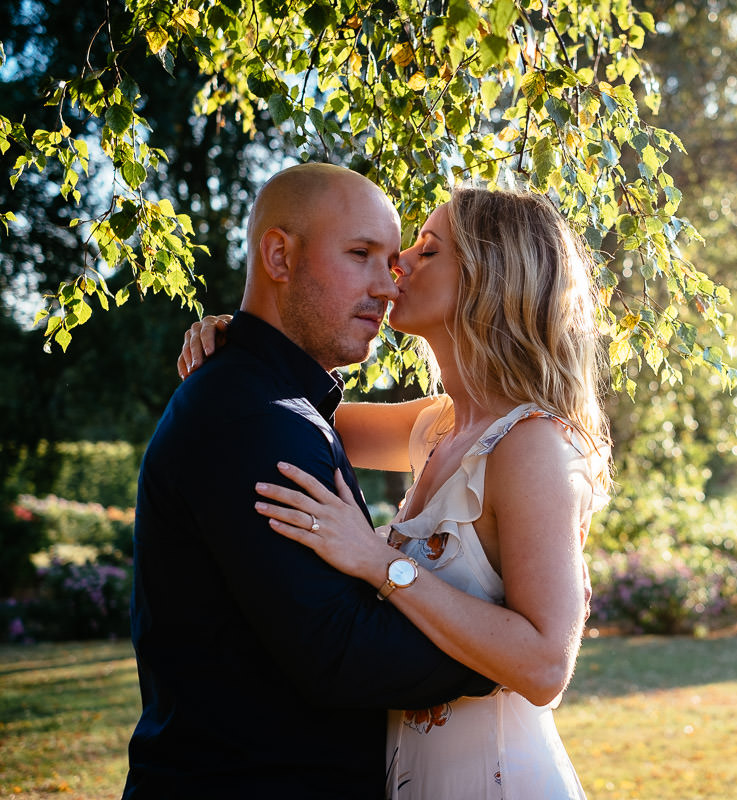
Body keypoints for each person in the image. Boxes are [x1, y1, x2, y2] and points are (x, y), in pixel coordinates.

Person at [179, 185, 612, 799]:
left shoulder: (531, 443)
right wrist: (243, 339)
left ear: (493, 277)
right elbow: (292, 410)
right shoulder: (438, 426)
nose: (397, 264)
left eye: (428, 251)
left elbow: (546, 666)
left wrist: (381, 563)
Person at [123, 163, 495, 800]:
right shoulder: (254, 416)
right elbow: (341, 654)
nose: (388, 283)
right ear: (278, 255)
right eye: (361, 254)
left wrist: (237, 337)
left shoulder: (276, 403)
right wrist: (505, 651)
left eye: (395, 258)